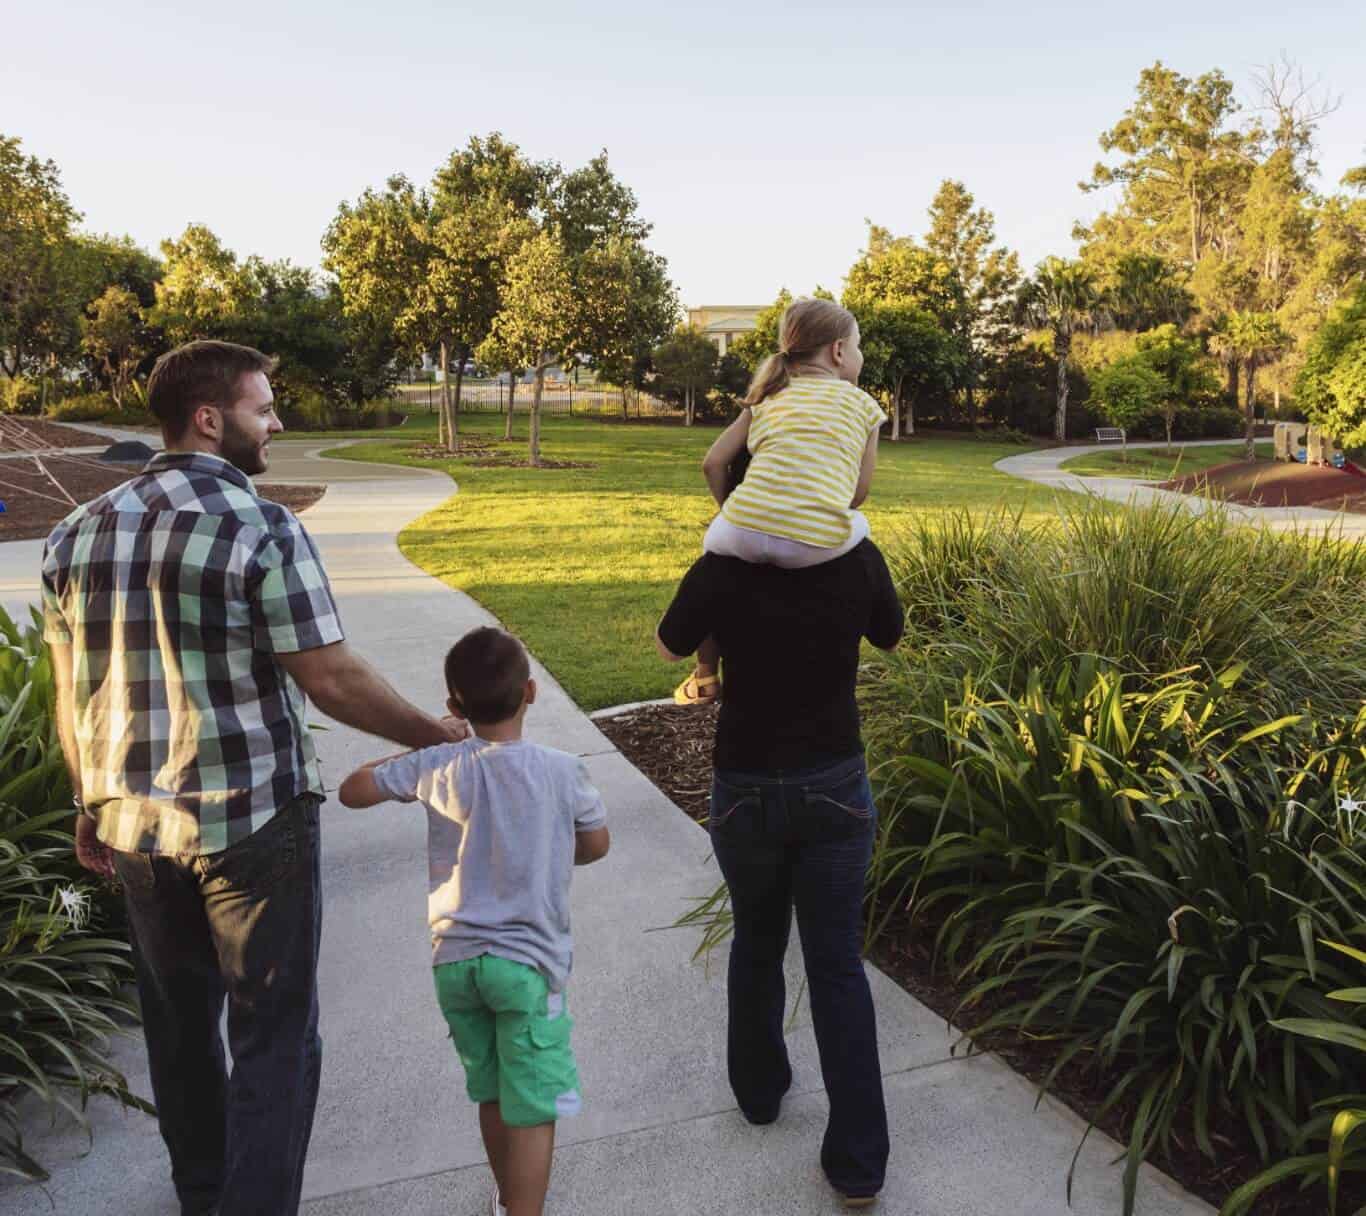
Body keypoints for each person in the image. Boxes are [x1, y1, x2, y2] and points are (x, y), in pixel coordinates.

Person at [42, 339, 467, 1216]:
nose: (278, 422)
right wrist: (435, 735)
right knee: (273, 1035)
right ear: (209, 417)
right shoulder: (262, 526)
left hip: (134, 829)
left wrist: (89, 798)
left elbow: (70, 692)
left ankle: (202, 1193)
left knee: (178, 1025)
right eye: (264, 408)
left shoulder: (75, 533)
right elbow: (332, 678)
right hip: (251, 825)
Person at [655, 489, 905, 1206]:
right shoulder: (856, 556)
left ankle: (760, 1094)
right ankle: (858, 1165)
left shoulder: (721, 564)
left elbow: (671, 642)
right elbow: (891, 633)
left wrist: (712, 656)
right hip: (833, 778)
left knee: (757, 941)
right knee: (836, 965)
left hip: (745, 785)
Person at [339, 626, 610, 1216]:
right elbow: (596, 844)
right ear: (531, 692)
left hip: (456, 965)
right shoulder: (563, 771)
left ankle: (508, 1195)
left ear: (455, 705)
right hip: (527, 966)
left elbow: (352, 790)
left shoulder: (436, 765)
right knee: (534, 1102)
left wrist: (427, 744)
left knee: (490, 1088)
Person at [672, 297, 885, 705]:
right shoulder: (863, 406)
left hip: (743, 531)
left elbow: (713, 463)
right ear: (839, 351)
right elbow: (857, 496)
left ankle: (704, 674)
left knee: (710, 557)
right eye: (858, 346)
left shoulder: (767, 397)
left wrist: (736, 515)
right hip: (816, 546)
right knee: (860, 530)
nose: (860, 356)